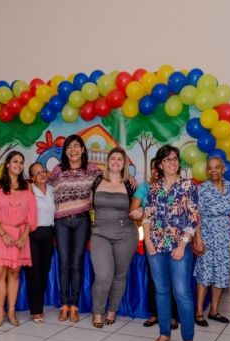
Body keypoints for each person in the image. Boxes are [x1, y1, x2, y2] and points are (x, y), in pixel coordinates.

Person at [143, 145, 198, 341]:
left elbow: (193, 218)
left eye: (175, 159)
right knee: (161, 291)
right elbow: (147, 216)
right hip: (155, 247)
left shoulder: (188, 186)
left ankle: (188, 339)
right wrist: (147, 241)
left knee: (182, 293)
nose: (172, 163)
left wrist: (183, 244)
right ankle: (164, 334)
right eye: (167, 159)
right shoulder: (153, 188)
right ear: (160, 164)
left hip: (179, 247)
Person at [49, 135, 101, 322]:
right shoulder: (57, 170)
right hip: (61, 221)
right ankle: (64, 305)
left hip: (82, 221)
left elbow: (107, 186)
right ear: (65, 151)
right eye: (69, 147)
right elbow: (46, 192)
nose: (73, 150)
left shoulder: (92, 170)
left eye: (76, 146)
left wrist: (129, 181)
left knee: (76, 263)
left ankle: (75, 305)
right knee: (64, 262)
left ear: (83, 150)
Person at [0, 151, 37, 327]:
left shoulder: (26, 187)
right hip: (0, 235)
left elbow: (32, 214)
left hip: (20, 235)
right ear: (7, 164)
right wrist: (4, 234)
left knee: (15, 273)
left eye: (21, 162)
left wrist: (23, 236)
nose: (19, 165)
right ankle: (0, 313)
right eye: (15, 161)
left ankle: (11, 311)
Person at [90, 147, 137, 328]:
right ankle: (97, 312)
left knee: (119, 275)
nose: (116, 161)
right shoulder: (97, 181)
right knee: (103, 276)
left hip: (125, 234)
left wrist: (139, 211)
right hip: (100, 233)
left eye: (120, 159)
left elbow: (135, 210)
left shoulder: (130, 184)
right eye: (113, 158)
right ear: (108, 162)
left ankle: (112, 311)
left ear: (124, 163)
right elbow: (90, 206)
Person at [132, 160, 179, 329]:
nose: (155, 170)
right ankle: (155, 313)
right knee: (155, 277)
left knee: (173, 277)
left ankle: (173, 316)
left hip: (173, 238)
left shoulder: (176, 186)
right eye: (152, 167)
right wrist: (146, 212)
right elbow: (134, 210)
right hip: (151, 237)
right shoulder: (145, 187)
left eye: (157, 166)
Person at [193, 156, 230, 326]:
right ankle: (199, 312)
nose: (214, 170)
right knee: (205, 274)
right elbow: (197, 216)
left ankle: (214, 311)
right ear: (207, 171)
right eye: (210, 168)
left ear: (223, 169)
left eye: (217, 167)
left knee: (221, 274)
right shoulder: (202, 189)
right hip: (207, 236)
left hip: (224, 237)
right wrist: (198, 238)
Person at [25, 162, 55, 324]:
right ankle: (36, 310)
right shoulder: (29, 191)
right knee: (33, 273)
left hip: (48, 233)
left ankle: (39, 304)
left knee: (44, 271)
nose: (42, 174)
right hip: (32, 234)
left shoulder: (52, 190)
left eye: (43, 171)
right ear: (31, 178)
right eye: (37, 173)